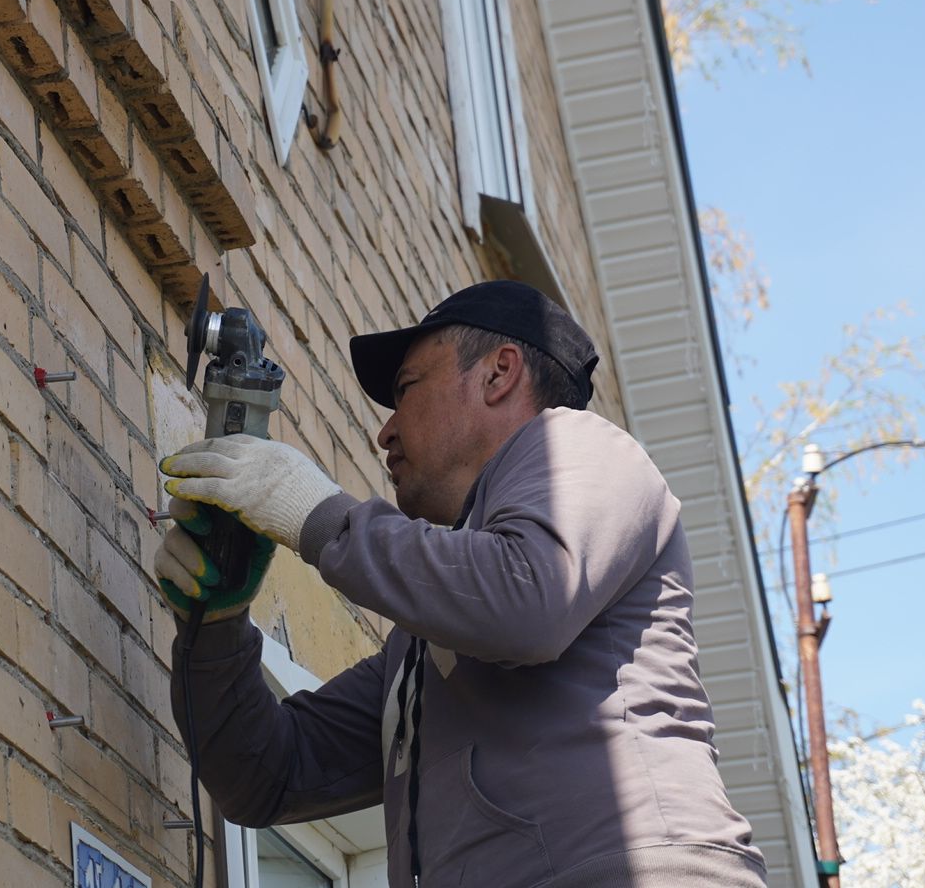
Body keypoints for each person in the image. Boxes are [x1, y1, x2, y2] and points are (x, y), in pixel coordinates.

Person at [154, 281, 766, 887]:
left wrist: (314, 512)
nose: (385, 433)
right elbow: (266, 776)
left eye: (406, 389)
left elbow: (526, 599)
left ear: (499, 374)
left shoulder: (582, 448)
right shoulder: (421, 655)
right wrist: (216, 625)